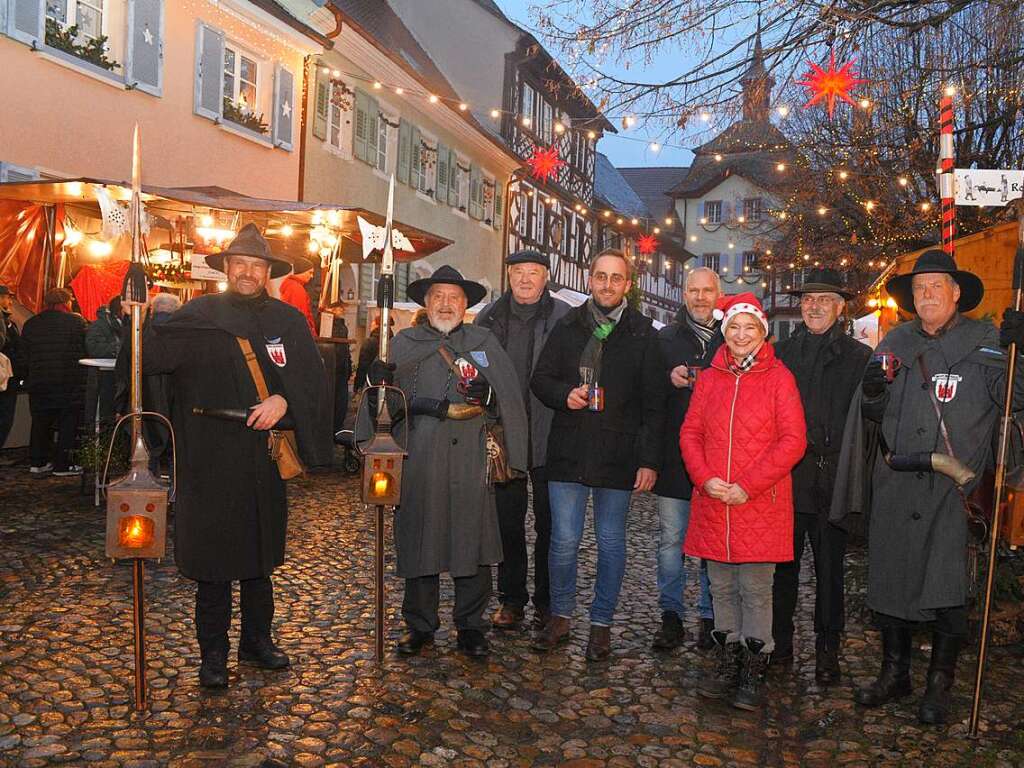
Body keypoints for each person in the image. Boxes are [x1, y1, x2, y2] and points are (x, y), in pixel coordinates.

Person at [833, 250, 1024, 724]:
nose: (928, 295)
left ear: (957, 293)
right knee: (892, 583)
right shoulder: (893, 342)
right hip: (897, 483)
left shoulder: (987, 342)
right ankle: (894, 675)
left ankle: (939, 686)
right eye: (920, 289)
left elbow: (1014, 401)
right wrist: (874, 393)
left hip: (953, 490)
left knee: (947, 589)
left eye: (937, 286)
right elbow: (870, 413)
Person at [142, 223, 325, 688]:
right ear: (226, 269)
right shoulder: (197, 314)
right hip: (207, 456)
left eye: (256, 266)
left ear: (268, 272)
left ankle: (256, 642)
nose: (247, 272)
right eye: (239, 264)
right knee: (214, 561)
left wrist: (283, 402)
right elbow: (148, 361)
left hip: (261, 456)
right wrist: (136, 317)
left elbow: (310, 381)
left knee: (260, 556)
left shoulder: (286, 322)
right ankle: (213, 655)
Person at [370, 265, 527, 659]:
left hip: (471, 458)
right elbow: (381, 408)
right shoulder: (402, 343)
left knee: (471, 541)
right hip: (420, 457)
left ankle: (470, 626)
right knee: (420, 538)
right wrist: (378, 383)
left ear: (466, 305)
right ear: (426, 302)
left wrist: (488, 396)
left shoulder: (484, 341)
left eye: (454, 297)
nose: (445, 304)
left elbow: (507, 401)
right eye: (438, 296)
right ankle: (419, 625)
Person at [530, 249, 665, 662]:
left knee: (610, 542)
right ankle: (561, 617)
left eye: (616, 278)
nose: (607, 285)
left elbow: (654, 404)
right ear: (590, 280)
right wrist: (563, 394)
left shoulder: (643, 334)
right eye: (601, 276)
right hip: (569, 450)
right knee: (563, 541)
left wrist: (649, 460)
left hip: (618, 455)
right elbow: (541, 380)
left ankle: (601, 624)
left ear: (627, 284)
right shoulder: (567, 326)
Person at [681, 292, 806, 711]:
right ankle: (726, 661)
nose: (739, 335)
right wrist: (705, 479)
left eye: (748, 328)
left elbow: (793, 442)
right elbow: (691, 433)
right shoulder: (712, 376)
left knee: (755, 590)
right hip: (715, 499)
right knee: (719, 587)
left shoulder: (779, 378)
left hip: (759, 503)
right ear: (725, 329)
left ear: (761, 333)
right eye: (733, 327)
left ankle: (754, 668)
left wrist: (747, 486)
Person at [771, 269, 871, 683]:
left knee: (830, 572)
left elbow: (869, 421)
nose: (814, 306)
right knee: (782, 570)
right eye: (809, 299)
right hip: (787, 479)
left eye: (824, 299)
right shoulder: (780, 354)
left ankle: (828, 650)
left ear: (840, 307)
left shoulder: (859, 358)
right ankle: (780, 646)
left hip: (833, 478)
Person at [475, 249, 572, 630]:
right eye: (519, 273)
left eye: (534, 273)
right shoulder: (489, 317)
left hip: (552, 434)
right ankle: (512, 599)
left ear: (546, 277)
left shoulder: (564, 317)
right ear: (509, 276)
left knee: (551, 525)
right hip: (505, 436)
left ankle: (547, 601)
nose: (526, 280)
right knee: (507, 524)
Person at [651, 267, 721, 651]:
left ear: (718, 294)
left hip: (717, 461)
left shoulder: (731, 340)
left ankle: (710, 617)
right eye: (693, 290)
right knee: (671, 541)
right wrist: (667, 378)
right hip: (675, 459)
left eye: (707, 291)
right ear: (683, 294)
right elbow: (647, 398)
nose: (699, 297)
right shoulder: (666, 339)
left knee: (711, 542)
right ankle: (671, 615)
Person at [18, 288, 87, 476]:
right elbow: (85, 350)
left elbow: (23, 355)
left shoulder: (31, 323)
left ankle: (38, 462)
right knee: (67, 422)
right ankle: (62, 465)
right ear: (65, 302)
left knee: (40, 421)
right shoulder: (76, 322)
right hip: (67, 380)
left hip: (39, 381)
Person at [86, 295, 125, 426]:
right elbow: (93, 348)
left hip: (118, 378)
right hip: (105, 378)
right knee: (105, 416)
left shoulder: (124, 325)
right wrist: (120, 348)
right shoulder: (99, 325)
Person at [0, 285, 22, 450]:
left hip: (7, 375)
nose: (10, 301)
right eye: (8, 297)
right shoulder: (3, 319)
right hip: (4, 377)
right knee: (4, 417)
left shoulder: (6, 319)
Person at [278, 266, 317, 337]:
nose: (312, 276)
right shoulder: (297, 289)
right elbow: (301, 316)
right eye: (310, 272)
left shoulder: (290, 286)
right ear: (302, 271)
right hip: (299, 335)